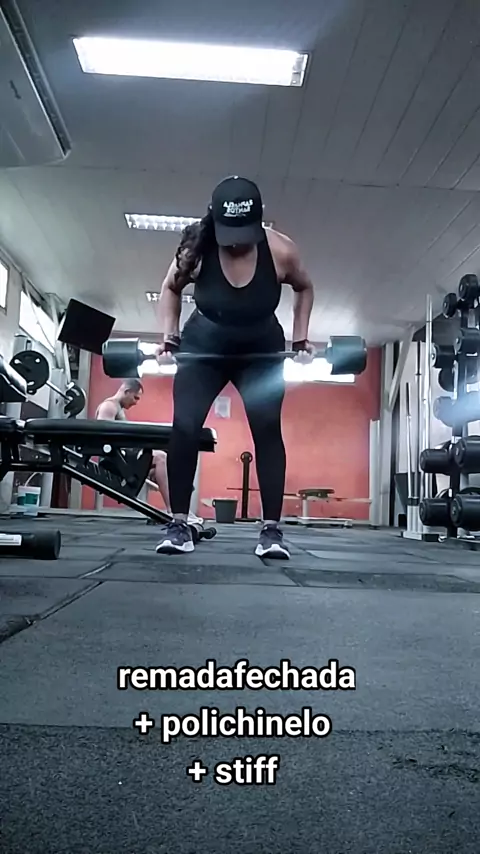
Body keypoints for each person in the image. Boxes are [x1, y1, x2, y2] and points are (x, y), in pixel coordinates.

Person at [154, 175, 315, 557]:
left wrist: (300, 338)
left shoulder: (281, 251)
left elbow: (304, 286)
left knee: (267, 428)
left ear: (258, 219)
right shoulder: (196, 248)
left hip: (260, 350)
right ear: (214, 217)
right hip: (205, 345)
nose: (237, 242)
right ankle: (179, 523)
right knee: (185, 426)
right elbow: (170, 288)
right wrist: (169, 336)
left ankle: (271, 530)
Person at [95, 379, 202, 524]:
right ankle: (173, 510)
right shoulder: (109, 406)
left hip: (123, 458)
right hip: (113, 460)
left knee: (166, 463)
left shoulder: (117, 408)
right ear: (126, 391)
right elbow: (102, 436)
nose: (136, 402)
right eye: (135, 397)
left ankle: (182, 509)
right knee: (161, 458)